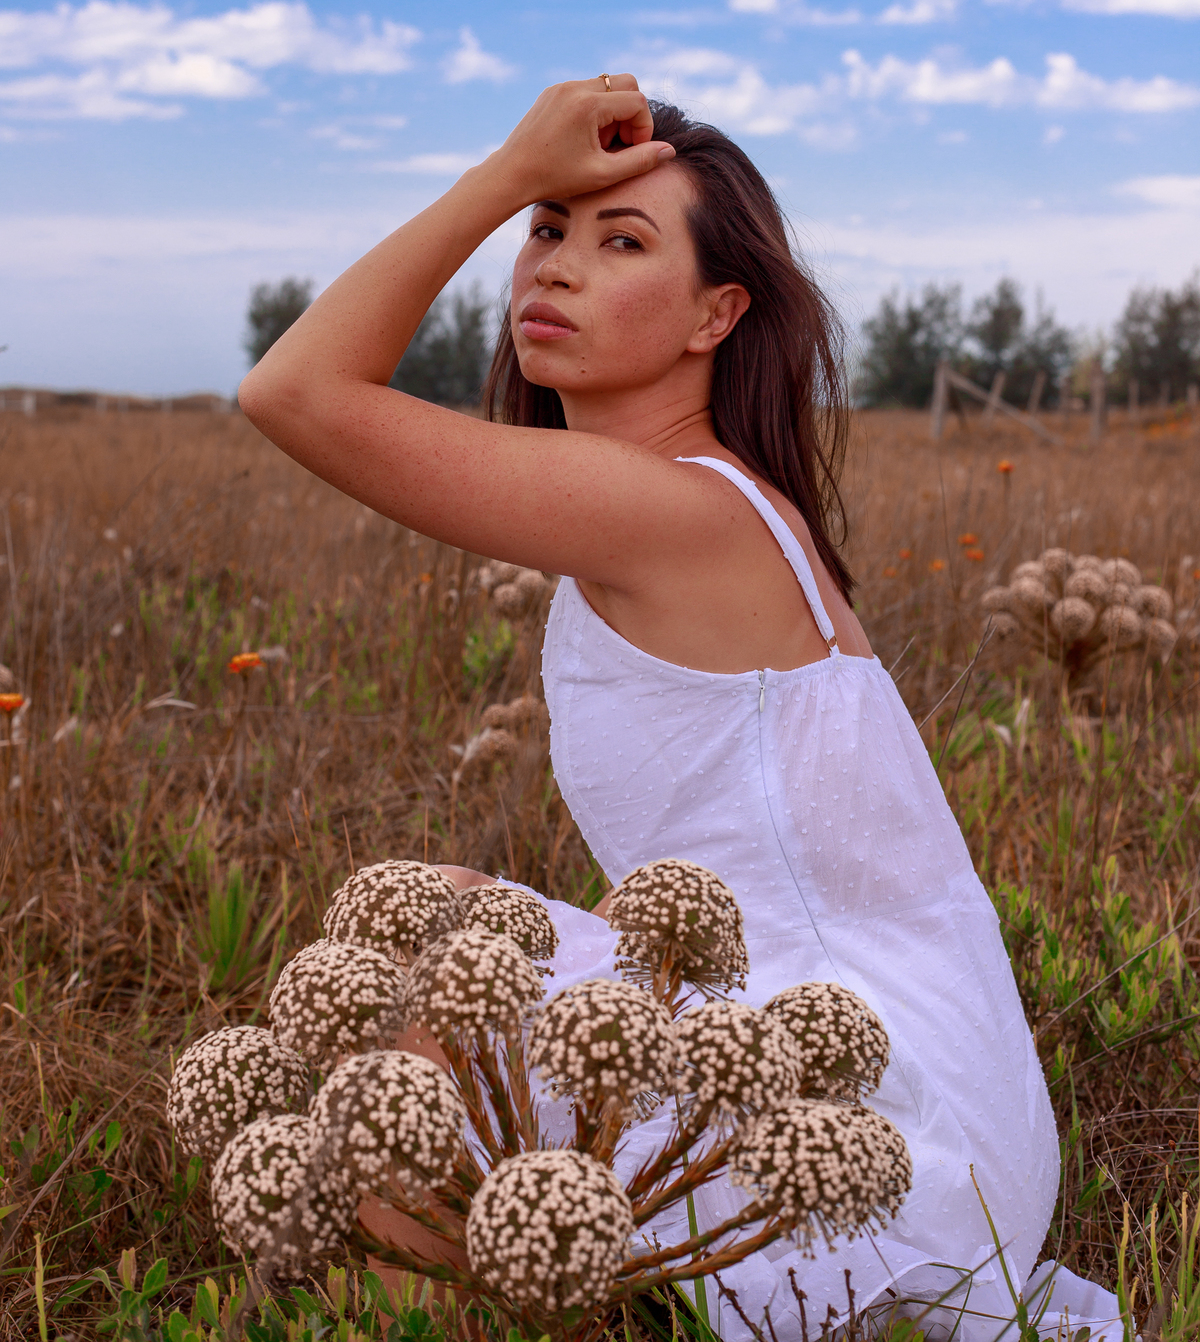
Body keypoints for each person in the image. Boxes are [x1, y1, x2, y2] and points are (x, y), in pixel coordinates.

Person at [239, 76, 1119, 1342]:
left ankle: (404, 1321)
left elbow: (295, 392)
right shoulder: (707, 495)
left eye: (621, 242)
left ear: (719, 313)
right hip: (929, 1097)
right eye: (546, 231)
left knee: (425, 974)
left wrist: (502, 173)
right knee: (441, 911)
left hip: (876, 1136)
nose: (555, 268)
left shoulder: (670, 506)